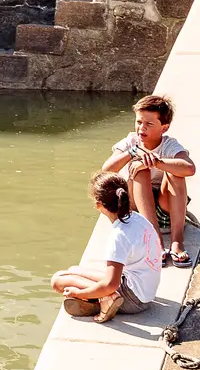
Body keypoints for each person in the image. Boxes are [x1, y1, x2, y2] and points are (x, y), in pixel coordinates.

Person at [53, 171, 162, 321]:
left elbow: (111, 284)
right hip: (144, 289)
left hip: (134, 300)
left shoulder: (119, 235)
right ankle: (104, 298)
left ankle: (106, 299)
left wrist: (78, 293)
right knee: (74, 270)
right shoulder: (137, 219)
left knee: (58, 281)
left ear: (99, 205)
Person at [100, 94, 196, 267]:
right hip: (137, 209)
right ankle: (155, 241)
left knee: (176, 172)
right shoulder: (131, 142)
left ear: (164, 128)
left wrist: (158, 162)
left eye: (149, 124)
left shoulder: (169, 145)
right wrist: (132, 153)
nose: (141, 128)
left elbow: (189, 168)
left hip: (165, 209)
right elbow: (105, 170)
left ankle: (177, 242)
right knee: (139, 167)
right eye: (139, 122)